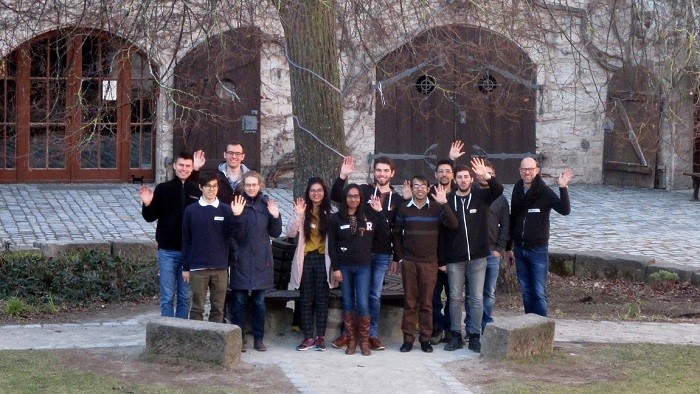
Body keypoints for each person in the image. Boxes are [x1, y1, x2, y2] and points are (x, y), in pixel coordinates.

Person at [329, 156, 404, 351]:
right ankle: (348, 334)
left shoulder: (397, 199)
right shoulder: (365, 191)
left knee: (373, 296)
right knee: (354, 296)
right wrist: (342, 176)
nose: (382, 174)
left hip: (381, 253)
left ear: (392, 173)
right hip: (361, 252)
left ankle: (371, 335)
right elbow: (339, 197)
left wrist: (396, 255)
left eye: (386, 171)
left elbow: (395, 229)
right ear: (374, 172)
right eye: (378, 170)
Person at [440, 159, 503, 353]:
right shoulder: (447, 200)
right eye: (459, 177)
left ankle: (475, 335)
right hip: (454, 258)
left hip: (477, 257)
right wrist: (442, 259)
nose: (463, 180)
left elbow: (498, 190)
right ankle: (456, 335)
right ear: (454, 179)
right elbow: (441, 233)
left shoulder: (481, 196)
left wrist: (486, 176)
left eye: (466, 177)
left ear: (471, 179)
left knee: (476, 298)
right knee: (454, 297)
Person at [390, 176, 458, 353]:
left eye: (423, 186)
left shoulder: (436, 208)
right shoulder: (404, 208)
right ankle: (408, 338)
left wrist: (444, 204)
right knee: (410, 302)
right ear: (411, 189)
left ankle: (425, 338)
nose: (419, 189)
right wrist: (400, 258)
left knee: (427, 302)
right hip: (409, 262)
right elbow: (396, 234)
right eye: (416, 186)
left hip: (429, 262)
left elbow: (453, 224)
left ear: (428, 189)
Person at [507, 157, 573, 317]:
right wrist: (509, 246)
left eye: (530, 169)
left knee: (538, 291)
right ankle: (529, 325)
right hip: (520, 249)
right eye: (524, 169)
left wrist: (563, 188)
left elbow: (564, 210)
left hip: (537, 250)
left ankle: (541, 326)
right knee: (526, 291)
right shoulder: (517, 189)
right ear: (520, 171)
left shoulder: (544, 192)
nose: (527, 172)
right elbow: (513, 218)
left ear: (537, 170)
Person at [140, 151, 202, 318]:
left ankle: (180, 331)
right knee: (167, 296)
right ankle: (167, 331)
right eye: (181, 165)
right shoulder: (163, 189)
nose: (184, 168)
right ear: (174, 166)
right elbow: (150, 217)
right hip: (167, 251)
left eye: (188, 166)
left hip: (189, 254)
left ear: (192, 168)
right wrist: (147, 204)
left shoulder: (197, 191)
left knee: (184, 296)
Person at [329, 184, 387, 356]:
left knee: (362, 303)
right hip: (344, 267)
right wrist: (336, 268)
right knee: (348, 302)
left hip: (364, 266)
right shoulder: (336, 218)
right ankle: (351, 340)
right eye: (349, 196)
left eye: (356, 196)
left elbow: (384, 233)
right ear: (345, 198)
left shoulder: (369, 216)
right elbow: (332, 245)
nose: (353, 199)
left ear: (361, 198)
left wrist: (379, 212)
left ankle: (364, 340)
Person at [229, 171, 283, 351]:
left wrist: (276, 216)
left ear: (260, 185)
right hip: (241, 260)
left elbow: (275, 233)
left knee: (259, 302)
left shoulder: (266, 205)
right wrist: (236, 217)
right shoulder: (238, 203)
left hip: (262, 261)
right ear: (243, 186)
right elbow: (234, 235)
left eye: (254, 184)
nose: (251, 188)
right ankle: (239, 338)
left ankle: (258, 339)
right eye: (248, 185)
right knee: (239, 302)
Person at [181, 172, 244, 322]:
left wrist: (237, 216)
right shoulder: (191, 211)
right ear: (200, 187)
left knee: (218, 308)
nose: (212, 189)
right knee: (197, 308)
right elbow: (186, 240)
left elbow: (236, 236)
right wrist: (185, 267)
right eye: (208, 186)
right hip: (198, 268)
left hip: (220, 267)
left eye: (215, 186)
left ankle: (216, 341)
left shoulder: (226, 210)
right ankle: (197, 339)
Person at [286, 178, 338, 351]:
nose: (316, 194)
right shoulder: (303, 210)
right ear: (308, 193)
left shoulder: (332, 211)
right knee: (306, 299)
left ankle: (320, 337)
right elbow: (290, 232)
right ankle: (308, 336)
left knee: (322, 299)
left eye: (320, 190)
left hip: (324, 259)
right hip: (306, 259)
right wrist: (298, 214)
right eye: (313, 190)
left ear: (325, 192)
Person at [464, 160, 510, 332]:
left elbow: (505, 224)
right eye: (480, 173)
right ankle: (471, 325)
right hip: (474, 252)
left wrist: (500, 248)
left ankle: (486, 324)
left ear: (492, 175)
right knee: (471, 293)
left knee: (488, 292)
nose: (482, 176)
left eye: (487, 173)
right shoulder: (471, 194)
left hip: (492, 251)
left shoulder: (500, 198)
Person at [429, 159, 456, 345]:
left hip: (455, 254)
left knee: (454, 296)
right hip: (433, 254)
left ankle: (450, 329)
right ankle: (437, 328)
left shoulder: (458, 195)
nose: (444, 174)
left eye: (447, 171)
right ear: (435, 175)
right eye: (440, 171)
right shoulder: (429, 195)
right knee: (434, 296)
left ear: (452, 174)